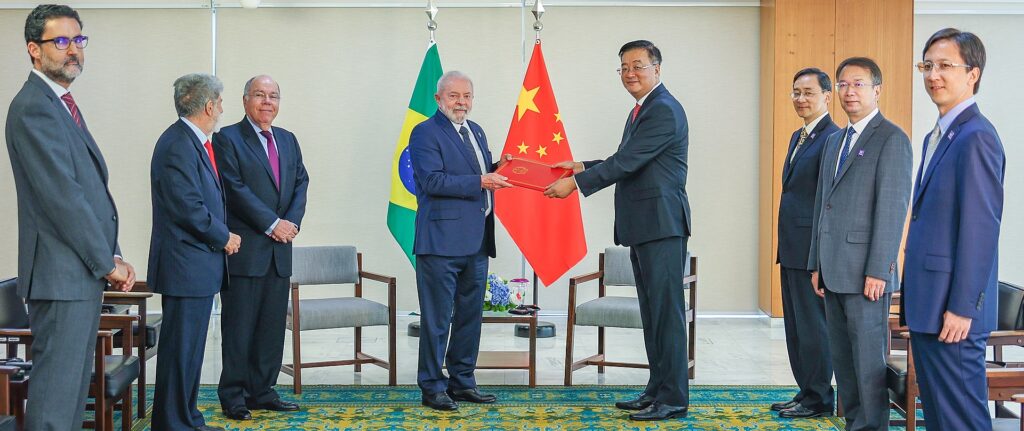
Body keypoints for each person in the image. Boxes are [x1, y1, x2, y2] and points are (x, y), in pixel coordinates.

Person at [544, 40, 690, 421]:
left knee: (667, 315)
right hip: (645, 227)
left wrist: (577, 184)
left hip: (662, 226)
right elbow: (628, 160)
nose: (630, 74)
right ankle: (657, 389)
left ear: (657, 68)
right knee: (652, 314)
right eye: (624, 68)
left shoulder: (663, 110)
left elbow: (627, 162)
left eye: (638, 66)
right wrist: (581, 166)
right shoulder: (642, 110)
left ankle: (673, 398)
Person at [4, 4, 133, 429]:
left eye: (78, 40)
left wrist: (112, 254)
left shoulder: (60, 103)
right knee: (55, 402)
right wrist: (107, 262)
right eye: (60, 41)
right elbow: (64, 199)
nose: (73, 49)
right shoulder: (34, 106)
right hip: (61, 275)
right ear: (34, 49)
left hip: (77, 275)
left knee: (72, 396)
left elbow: (89, 192)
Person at [903, 28, 1004, 431]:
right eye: (927, 65)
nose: (933, 75)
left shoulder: (977, 137)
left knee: (962, 419)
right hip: (930, 305)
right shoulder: (939, 134)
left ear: (972, 74)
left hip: (953, 312)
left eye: (945, 65)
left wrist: (962, 308)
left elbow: (980, 231)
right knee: (941, 418)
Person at [807, 57, 912, 431]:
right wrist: (816, 263)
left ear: (877, 90)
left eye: (858, 84)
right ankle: (855, 424)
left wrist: (879, 270)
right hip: (832, 270)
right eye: (843, 85)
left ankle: (872, 427)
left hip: (867, 274)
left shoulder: (892, 139)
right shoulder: (834, 140)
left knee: (868, 362)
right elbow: (823, 205)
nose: (849, 92)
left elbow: (892, 209)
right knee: (844, 360)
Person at [409, 71, 511, 411]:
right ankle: (432, 386)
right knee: (437, 320)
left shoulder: (476, 130)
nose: (461, 102)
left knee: (470, 317)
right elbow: (433, 181)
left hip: (477, 241)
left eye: (467, 96)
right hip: (440, 242)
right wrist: (482, 180)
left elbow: (476, 171)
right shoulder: (424, 132)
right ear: (438, 99)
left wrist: (500, 167)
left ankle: (463, 382)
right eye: (454, 96)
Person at [213, 75, 308, 420]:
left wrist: (291, 222)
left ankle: (262, 390)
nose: (267, 101)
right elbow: (234, 188)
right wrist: (272, 224)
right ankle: (234, 395)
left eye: (273, 96)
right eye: (260, 95)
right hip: (246, 251)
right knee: (239, 328)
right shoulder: (227, 139)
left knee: (270, 328)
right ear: (245, 100)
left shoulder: (288, 139)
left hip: (280, 251)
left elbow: (301, 182)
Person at [148, 73, 239, 431]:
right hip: (184, 266)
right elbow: (189, 207)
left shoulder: (191, 142)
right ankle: (173, 423)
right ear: (209, 106)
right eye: (220, 103)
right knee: (180, 352)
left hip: (196, 267)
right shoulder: (177, 145)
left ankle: (187, 419)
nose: (222, 109)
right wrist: (224, 237)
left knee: (189, 353)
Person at [773, 67, 839, 419]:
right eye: (796, 92)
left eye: (808, 93)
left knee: (814, 328)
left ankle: (819, 398)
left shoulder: (833, 138)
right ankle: (806, 391)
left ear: (827, 97)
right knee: (796, 328)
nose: (800, 98)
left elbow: (829, 202)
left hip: (811, 252)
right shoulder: (797, 137)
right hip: (790, 248)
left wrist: (820, 259)